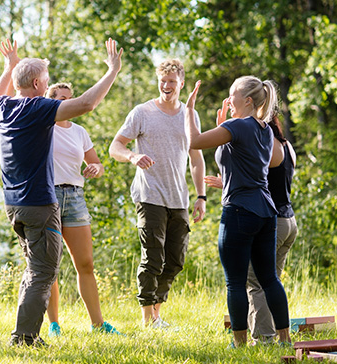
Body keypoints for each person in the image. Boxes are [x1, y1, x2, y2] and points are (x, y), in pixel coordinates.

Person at [0, 38, 122, 346]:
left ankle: (24, 334)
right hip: (39, 204)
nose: (47, 85)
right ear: (37, 84)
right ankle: (24, 338)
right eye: (46, 82)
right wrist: (112, 70)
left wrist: (10, 65)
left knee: (35, 268)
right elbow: (86, 104)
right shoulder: (38, 108)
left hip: (14, 204)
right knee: (43, 272)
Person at [185, 76, 291, 347]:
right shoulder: (265, 129)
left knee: (235, 282)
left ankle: (240, 343)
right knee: (269, 278)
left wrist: (188, 110)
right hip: (267, 212)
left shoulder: (237, 126)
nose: (227, 100)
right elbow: (245, 161)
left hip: (239, 211)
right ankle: (284, 339)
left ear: (247, 100)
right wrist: (224, 128)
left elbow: (195, 141)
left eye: (231, 95)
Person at [109, 59, 206, 327]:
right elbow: (115, 146)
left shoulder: (190, 115)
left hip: (179, 198)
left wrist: (201, 196)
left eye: (172, 81)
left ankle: (157, 314)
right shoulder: (142, 112)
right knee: (152, 257)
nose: (166, 86)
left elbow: (196, 159)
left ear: (181, 83)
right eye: (162, 81)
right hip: (148, 194)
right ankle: (147, 319)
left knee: (175, 260)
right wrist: (132, 156)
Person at [204, 115, 298, 344]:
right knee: (270, 280)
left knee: (256, 282)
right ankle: (278, 336)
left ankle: (264, 338)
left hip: (267, 216)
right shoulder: (287, 146)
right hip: (288, 220)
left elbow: (252, 172)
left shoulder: (265, 143)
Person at [45, 82, 122, 336]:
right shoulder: (44, 127)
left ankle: (98, 325)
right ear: (52, 101)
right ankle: (54, 324)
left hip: (75, 197)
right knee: (50, 264)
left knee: (86, 263)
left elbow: (97, 164)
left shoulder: (79, 131)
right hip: (50, 197)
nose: (68, 103)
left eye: (70, 98)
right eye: (62, 98)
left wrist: (95, 169)